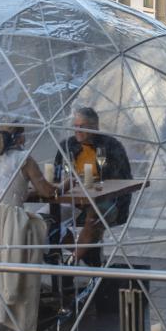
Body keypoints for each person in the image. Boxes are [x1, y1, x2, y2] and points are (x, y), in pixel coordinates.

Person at [54, 107, 132, 266]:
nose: (77, 131)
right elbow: (58, 174)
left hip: (107, 200)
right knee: (49, 221)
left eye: (82, 127)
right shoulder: (68, 145)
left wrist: (96, 182)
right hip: (74, 199)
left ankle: (72, 261)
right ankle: (87, 258)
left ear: (95, 127)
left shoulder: (111, 146)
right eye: (75, 126)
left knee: (94, 217)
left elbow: (122, 178)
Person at [0, 125, 57, 208]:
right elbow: (47, 192)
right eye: (23, 134)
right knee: (48, 216)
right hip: (11, 219)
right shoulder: (24, 159)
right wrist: (66, 184)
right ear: (20, 137)